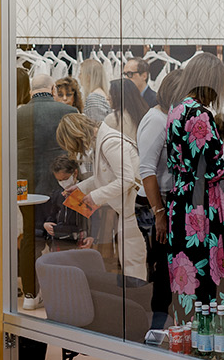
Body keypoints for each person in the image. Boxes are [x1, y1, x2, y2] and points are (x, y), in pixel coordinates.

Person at [162, 54, 224, 324]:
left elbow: (189, 160)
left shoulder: (176, 109)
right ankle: (210, 337)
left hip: (181, 201)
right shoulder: (200, 114)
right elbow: (210, 171)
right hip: (202, 206)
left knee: (186, 270)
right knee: (207, 272)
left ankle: (188, 332)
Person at [56, 112, 144, 281]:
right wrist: (80, 187)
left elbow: (126, 179)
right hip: (129, 209)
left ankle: (137, 295)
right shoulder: (103, 141)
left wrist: (95, 196)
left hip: (134, 209)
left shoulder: (110, 143)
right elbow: (103, 176)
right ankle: (136, 294)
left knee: (133, 260)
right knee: (130, 259)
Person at [17, 73, 77, 309]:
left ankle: (30, 295)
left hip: (26, 188)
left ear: (31, 91)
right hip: (59, 186)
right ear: (52, 89)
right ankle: (61, 294)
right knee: (61, 238)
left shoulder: (17, 114)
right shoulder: (68, 112)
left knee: (30, 238)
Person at [137, 69, 186, 326]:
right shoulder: (157, 120)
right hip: (155, 203)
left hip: (165, 201)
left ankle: (165, 325)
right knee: (162, 270)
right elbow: (146, 170)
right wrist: (159, 213)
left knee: (168, 268)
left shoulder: (168, 117)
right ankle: (156, 327)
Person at [105, 77, 151, 143]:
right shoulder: (145, 114)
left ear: (117, 96)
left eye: (110, 94)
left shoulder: (112, 119)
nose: (107, 98)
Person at [79, 58, 111, 123]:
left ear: (88, 77)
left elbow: (96, 125)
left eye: (81, 73)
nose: (78, 76)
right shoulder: (100, 94)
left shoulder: (94, 98)